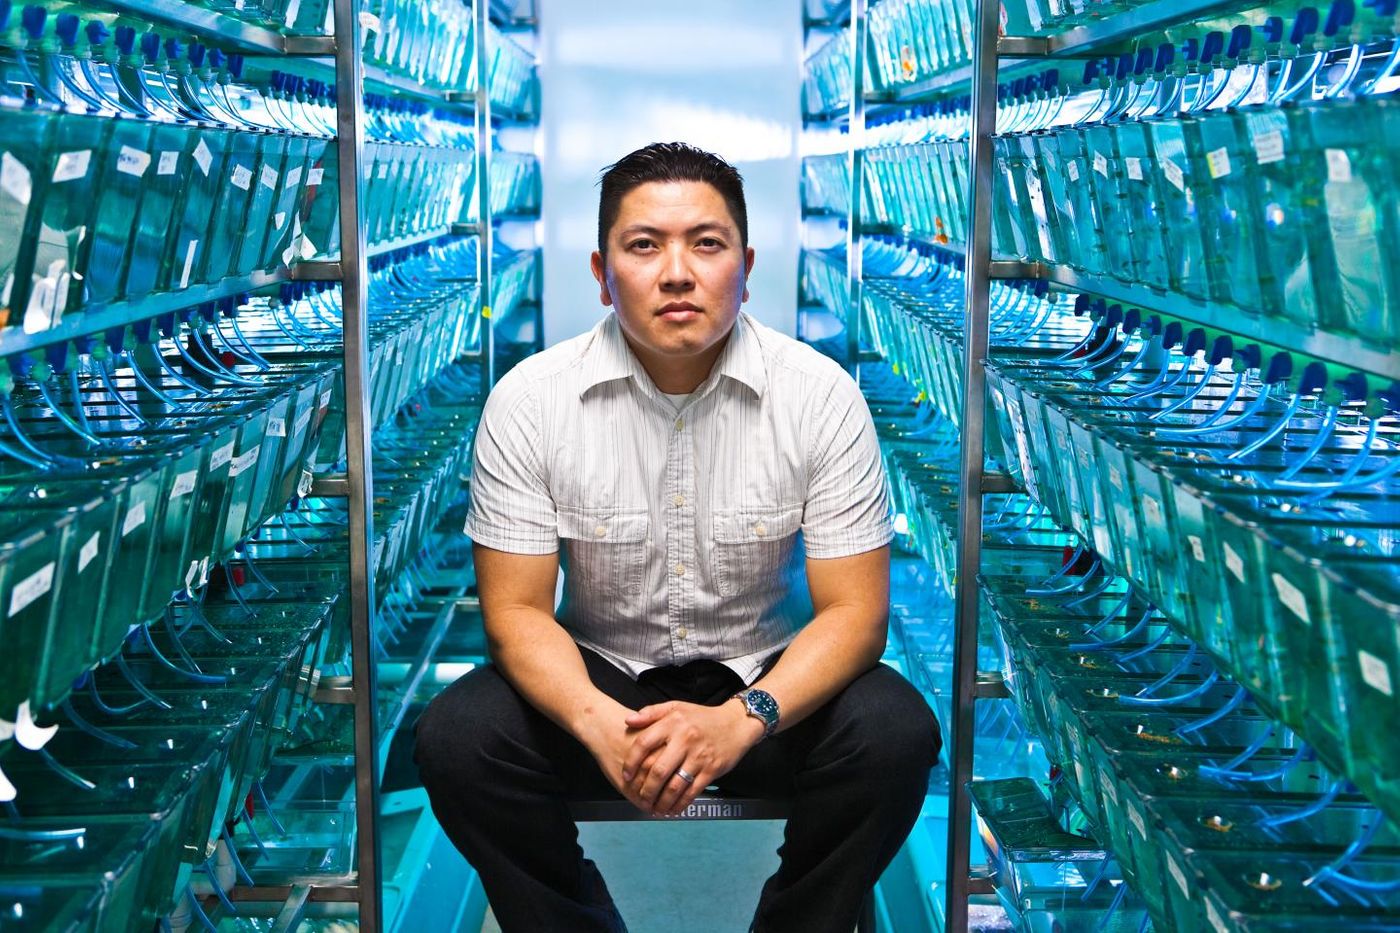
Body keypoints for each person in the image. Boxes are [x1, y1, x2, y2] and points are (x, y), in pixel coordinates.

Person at [414, 142, 940, 933]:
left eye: (706, 242)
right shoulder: (531, 400)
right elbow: (517, 613)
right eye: (644, 245)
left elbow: (856, 617)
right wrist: (597, 725)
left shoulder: (821, 398)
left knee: (897, 731)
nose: (676, 272)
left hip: (763, 683)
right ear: (601, 269)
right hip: (600, 678)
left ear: (746, 261)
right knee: (457, 739)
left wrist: (739, 717)